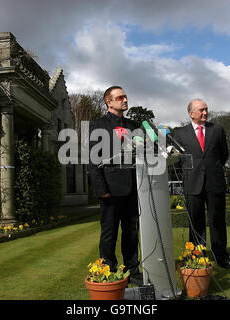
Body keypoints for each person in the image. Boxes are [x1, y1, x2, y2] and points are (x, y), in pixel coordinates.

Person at [88, 86, 143, 283]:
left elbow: (142, 153)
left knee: (131, 232)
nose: (125, 100)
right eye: (120, 97)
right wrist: (101, 189)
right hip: (110, 190)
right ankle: (109, 271)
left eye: (126, 96)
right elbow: (93, 160)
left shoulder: (134, 125)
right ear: (108, 102)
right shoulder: (97, 125)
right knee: (109, 233)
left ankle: (132, 270)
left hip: (132, 188)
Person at [174, 99, 230, 269]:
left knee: (217, 221)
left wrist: (212, 169)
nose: (205, 113)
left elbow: (224, 154)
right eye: (201, 110)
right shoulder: (180, 133)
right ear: (191, 113)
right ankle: (197, 256)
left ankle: (221, 256)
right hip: (192, 184)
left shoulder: (217, 129)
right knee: (195, 222)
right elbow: (178, 161)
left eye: (206, 109)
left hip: (215, 183)